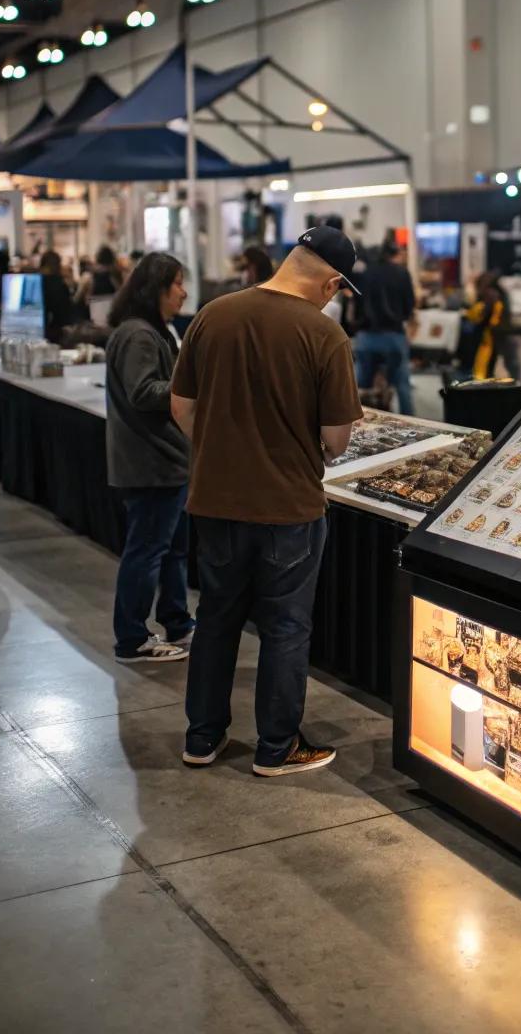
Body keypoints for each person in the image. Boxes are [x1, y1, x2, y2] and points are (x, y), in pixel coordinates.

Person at [171, 223, 362, 776]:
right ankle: (277, 747)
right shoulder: (324, 335)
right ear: (331, 284)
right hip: (289, 509)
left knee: (215, 620)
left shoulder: (212, 315)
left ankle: (202, 738)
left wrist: (220, 451)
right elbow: (336, 439)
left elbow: (181, 407)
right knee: (285, 628)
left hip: (214, 502)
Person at [105, 253, 194, 662]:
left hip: (166, 462)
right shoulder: (139, 335)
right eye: (177, 283)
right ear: (155, 288)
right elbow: (142, 392)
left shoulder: (150, 331)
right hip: (151, 463)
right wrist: (192, 385)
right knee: (147, 551)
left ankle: (178, 622)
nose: (183, 293)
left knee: (171, 549)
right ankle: (132, 638)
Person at [354, 240, 416, 414]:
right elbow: (409, 305)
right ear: (393, 255)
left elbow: (356, 305)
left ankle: (357, 422)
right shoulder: (402, 273)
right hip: (394, 336)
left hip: (366, 337)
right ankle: (410, 423)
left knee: (361, 388)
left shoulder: (365, 274)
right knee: (402, 386)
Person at [464, 271, 512, 379]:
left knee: (484, 364)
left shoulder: (490, 295)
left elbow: (481, 316)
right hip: (497, 334)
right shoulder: (499, 294)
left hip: (489, 335)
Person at [39, 248, 76, 344]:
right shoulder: (61, 284)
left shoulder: (37, 283)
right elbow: (66, 312)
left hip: (40, 331)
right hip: (57, 334)